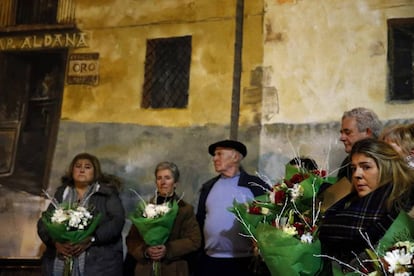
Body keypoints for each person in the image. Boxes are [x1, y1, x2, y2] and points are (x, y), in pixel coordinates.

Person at [318, 139, 414, 273]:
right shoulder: (346, 203)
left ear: (386, 168)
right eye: (354, 168)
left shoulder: (404, 207)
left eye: (366, 167)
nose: (357, 174)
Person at [37, 152, 126, 275]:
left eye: (87, 167)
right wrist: (55, 242)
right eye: (78, 166)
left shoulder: (106, 194)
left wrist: (92, 239)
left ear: (95, 172)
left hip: (99, 264)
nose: (82, 170)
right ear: (72, 170)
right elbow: (44, 222)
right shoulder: (62, 193)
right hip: (61, 259)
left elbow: (117, 221)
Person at [195, 140, 269, 276]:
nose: (215, 158)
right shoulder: (208, 187)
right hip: (211, 261)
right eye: (215, 155)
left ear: (235, 157)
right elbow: (200, 220)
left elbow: (268, 219)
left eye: (219, 154)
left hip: (244, 262)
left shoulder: (254, 185)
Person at [125, 161, 201, 276]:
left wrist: (168, 249)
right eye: (159, 178)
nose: (163, 182)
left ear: (175, 183)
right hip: (146, 269)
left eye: (167, 178)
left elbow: (194, 240)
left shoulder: (185, 210)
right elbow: (132, 240)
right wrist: (145, 251)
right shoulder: (145, 208)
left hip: (174, 269)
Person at [337, 107, 382, 181]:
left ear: (368, 132)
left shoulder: (384, 160)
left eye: (347, 132)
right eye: (354, 168)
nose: (342, 138)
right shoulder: (347, 162)